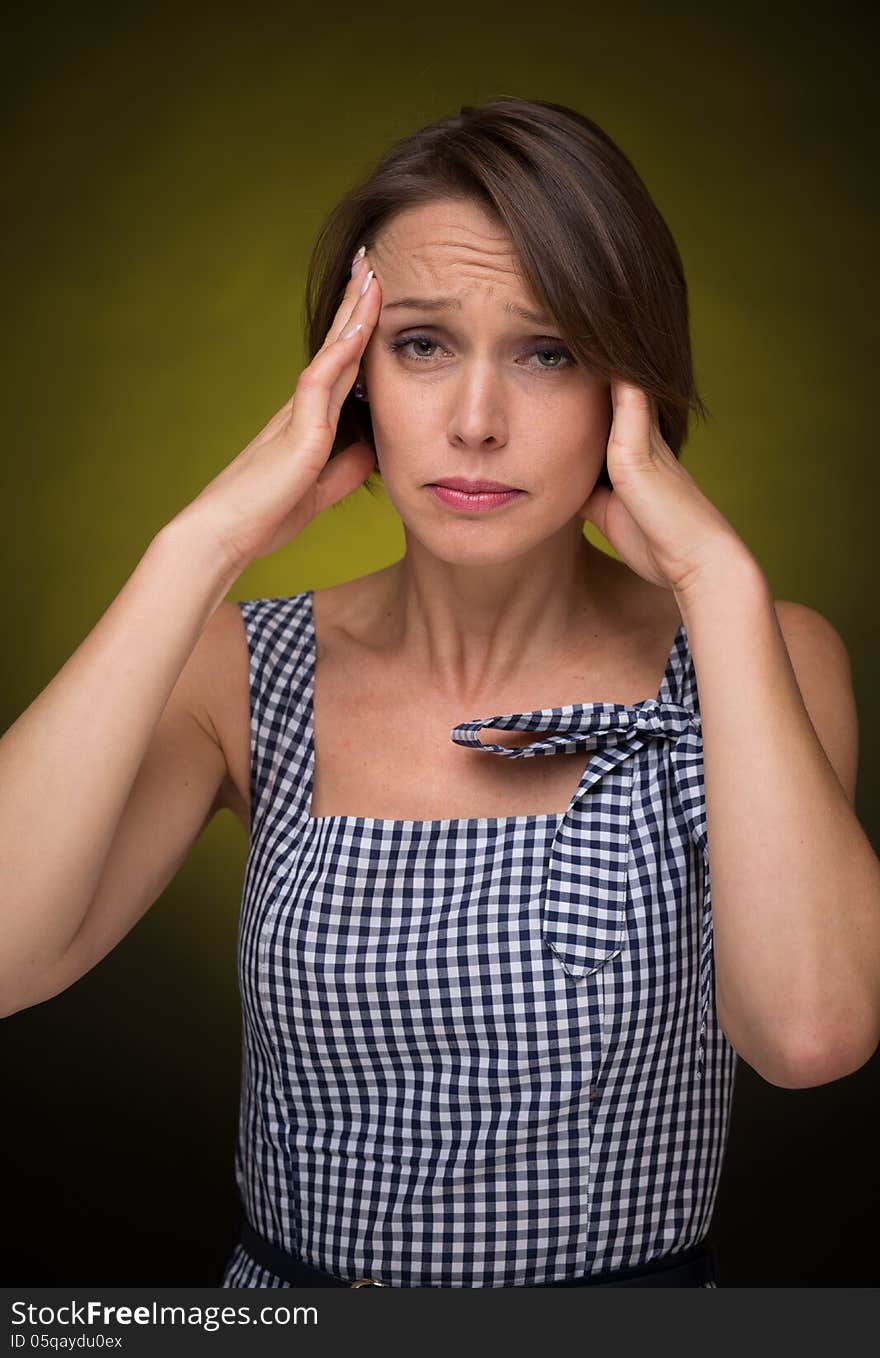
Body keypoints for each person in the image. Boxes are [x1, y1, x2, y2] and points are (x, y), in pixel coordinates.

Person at [2, 97, 876, 1290]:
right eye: (421, 344)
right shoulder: (233, 668)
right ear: (352, 376)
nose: (474, 422)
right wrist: (197, 545)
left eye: (548, 350)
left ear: (629, 382)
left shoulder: (761, 652)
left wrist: (715, 576)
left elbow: (810, 1035)